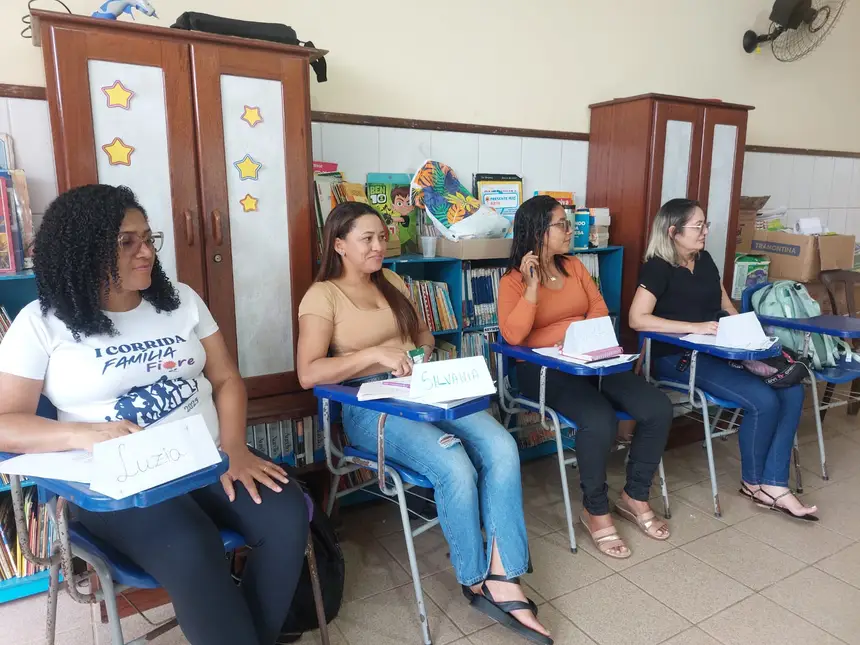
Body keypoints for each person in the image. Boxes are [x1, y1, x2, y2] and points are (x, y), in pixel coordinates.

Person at [0, 185, 310, 645]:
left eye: (148, 238)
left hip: (207, 457)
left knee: (285, 513)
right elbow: (6, 423)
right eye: (127, 242)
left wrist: (235, 449)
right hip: (118, 481)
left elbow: (226, 379)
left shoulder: (180, 300)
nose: (146, 252)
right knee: (190, 545)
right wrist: (83, 434)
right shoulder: (41, 323)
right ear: (83, 250)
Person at [297, 202, 551, 644]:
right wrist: (374, 356)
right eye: (367, 239)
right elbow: (309, 373)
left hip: (418, 385)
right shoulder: (322, 296)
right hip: (366, 404)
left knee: (501, 445)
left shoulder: (393, 281)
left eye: (382, 237)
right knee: (454, 465)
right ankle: (476, 579)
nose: (379, 246)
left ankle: (503, 570)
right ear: (339, 245)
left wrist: (422, 354)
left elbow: (424, 336)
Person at [498, 195, 674, 560]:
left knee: (657, 407)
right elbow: (515, 337)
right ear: (537, 231)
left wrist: (561, 333)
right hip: (543, 372)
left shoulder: (575, 267)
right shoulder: (512, 282)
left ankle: (635, 495)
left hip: (592, 360)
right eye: (562, 224)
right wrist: (533, 290)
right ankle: (595, 510)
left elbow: (599, 313)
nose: (570, 230)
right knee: (598, 419)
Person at [629, 198, 818, 521]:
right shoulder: (658, 267)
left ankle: (774, 482)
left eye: (705, 224)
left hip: (718, 350)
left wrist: (745, 334)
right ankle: (754, 484)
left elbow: (725, 306)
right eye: (697, 226)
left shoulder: (705, 261)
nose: (704, 231)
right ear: (673, 232)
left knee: (791, 390)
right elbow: (637, 318)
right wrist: (693, 327)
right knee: (762, 400)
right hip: (677, 357)